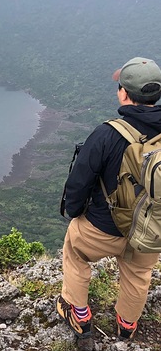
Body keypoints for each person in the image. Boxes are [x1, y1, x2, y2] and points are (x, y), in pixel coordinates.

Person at [57, 57, 161, 345]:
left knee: (75, 253)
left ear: (124, 94)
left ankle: (79, 315)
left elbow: (79, 182)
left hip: (103, 228)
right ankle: (126, 325)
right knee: (139, 274)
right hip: (151, 230)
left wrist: (76, 214)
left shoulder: (108, 134)